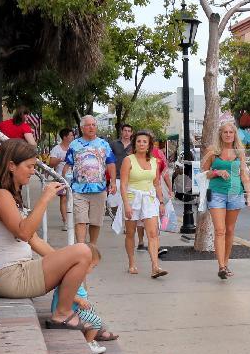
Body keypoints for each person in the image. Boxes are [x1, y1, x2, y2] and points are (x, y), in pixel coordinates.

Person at [0, 139, 94, 330]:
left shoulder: (10, 195)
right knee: (82, 251)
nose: (33, 171)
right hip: (9, 277)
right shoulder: (0, 195)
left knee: (79, 255)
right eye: (29, 166)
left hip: (17, 272)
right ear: (11, 166)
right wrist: (45, 198)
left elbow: (35, 239)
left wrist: (63, 263)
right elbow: (24, 233)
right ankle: (62, 313)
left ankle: (87, 319)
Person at [201, 116, 250, 280]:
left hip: (235, 193)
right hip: (216, 193)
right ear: (220, 134)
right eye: (225, 132)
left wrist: (249, 195)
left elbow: (244, 174)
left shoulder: (239, 152)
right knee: (220, 230)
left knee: (230, 230)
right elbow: (203, 173)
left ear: (234, 135)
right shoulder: (213, 151)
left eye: (231, 132)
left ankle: (226, 263)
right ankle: (221, 266)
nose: (228, 134)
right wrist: (217, 172)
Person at [50, 244, 119, 354]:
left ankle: (96, 333)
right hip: (69, 310)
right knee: (96, 321)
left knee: (91, 310)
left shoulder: (78, 274)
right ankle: (89, 343)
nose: (92, 270)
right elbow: (65, 292)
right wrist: (79, 300)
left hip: (74, 308)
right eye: (93, 266)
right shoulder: (72, 275)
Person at [119, 130, 168, 278]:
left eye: (144, 142)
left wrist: (161, 202)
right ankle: (132, 263)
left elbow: (157, 183)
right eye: (139, 141)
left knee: (153, 234)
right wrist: (126, 204)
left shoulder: (154, 161)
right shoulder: (128, 160)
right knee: (130, 233)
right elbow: (123, 184)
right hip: (133, 198)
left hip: (149, 199)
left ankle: (155, 266)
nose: (141, 144)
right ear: (134, 144)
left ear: (149, 145)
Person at [65, 115, 117, 245]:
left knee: (95, 221)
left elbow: (111, 164)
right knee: (80, 220)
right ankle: (81, 249)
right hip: (78, 190)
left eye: (94, 125)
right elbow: (68, 164)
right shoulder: (74, 145)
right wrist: (64, 181)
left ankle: (92, 247)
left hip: (99, 189)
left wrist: (114, 183)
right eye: (88, 125)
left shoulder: (104, 144)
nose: (91, 127)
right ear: (82, 128)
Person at [49, 128, 75, 231]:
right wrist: (61, 159)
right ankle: (65, 221)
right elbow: (51, 163)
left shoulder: (74, 147)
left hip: (74, 177)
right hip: (61, 177)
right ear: (65, 137)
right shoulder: (57, 149)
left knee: (75, 199)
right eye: (71, 135)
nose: (73, 137)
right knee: (63, 198)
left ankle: (73, 220)